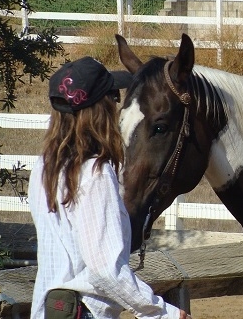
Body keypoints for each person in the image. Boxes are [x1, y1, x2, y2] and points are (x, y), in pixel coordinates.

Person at [29, 57, 189, 319]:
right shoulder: (95, 173)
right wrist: (162, 313)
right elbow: (105, 269)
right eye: (113, 97)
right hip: (85, 312)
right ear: (98, 109)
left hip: (49, 309)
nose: (116, 106)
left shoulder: (44, 168)